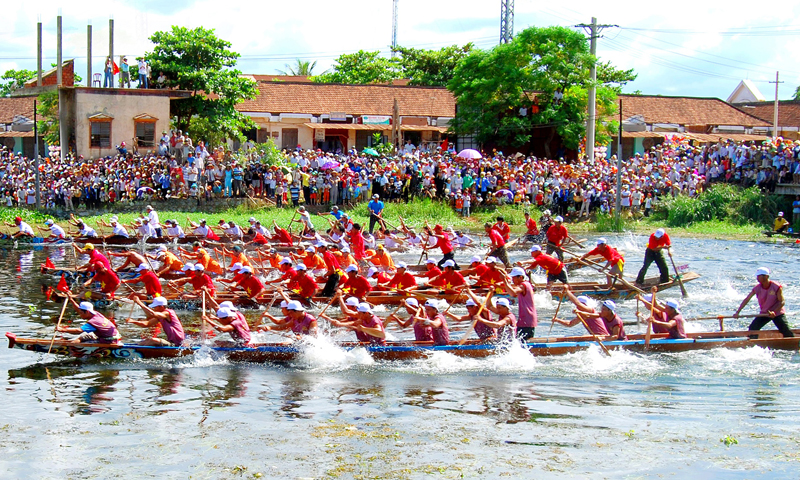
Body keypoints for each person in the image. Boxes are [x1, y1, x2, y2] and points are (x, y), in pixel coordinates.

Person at [733, 267, 794, 338]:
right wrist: (738, 312)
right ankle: (753, 344)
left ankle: (793, 344)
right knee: (753, 328)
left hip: (777, 312)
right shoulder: (757, 288)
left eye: (759, 276)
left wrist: (774, 312)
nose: (757, 278)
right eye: (757, 276)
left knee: (786, 330)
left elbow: (782, 302)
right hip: (765, 313)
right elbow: (747, 299)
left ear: (766, 276)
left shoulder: (776, 286)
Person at [56, 296, 121, 344]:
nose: (80, 315)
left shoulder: (93, 321)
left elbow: (79, 330)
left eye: (81, 313)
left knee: (81, 339)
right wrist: (71, 299)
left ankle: (72, 348)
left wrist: (62, 329)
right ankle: (73, 345)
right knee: (83, 336)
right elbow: (79, 309)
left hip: (109, 341)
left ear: (87, 312)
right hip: (111, 337)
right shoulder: (96, 313)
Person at [502, 267, 537, 341]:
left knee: (521, 342)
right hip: (526, 319)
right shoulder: (525, 285)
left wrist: (505, 281)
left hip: (527, 319)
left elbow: (513, 293)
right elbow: (512, 291)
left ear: (521, 277)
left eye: (514, 278)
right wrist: (506, 284)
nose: (513, 280)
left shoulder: (524, 285)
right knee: (519, 341)